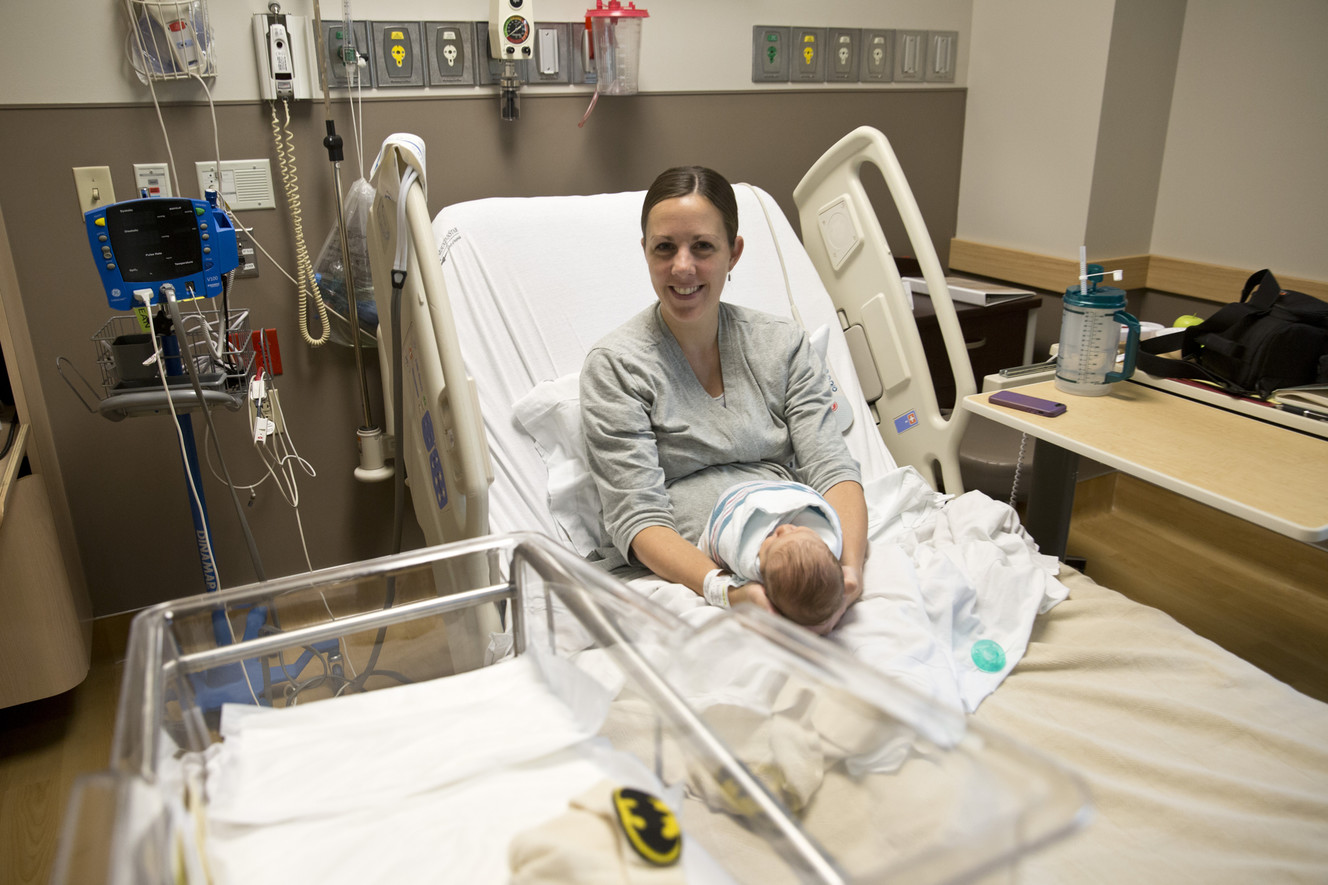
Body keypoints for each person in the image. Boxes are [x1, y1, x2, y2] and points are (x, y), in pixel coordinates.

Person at [579, 165, 868, 632]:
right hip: (686, 574)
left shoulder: (782, 346)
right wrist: (726, 592)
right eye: (665, 248)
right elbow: (637, 516)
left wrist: (847, 570)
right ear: (646, 252)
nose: (683, 267)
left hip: (800, 552)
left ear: (733, 254)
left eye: (703, 247)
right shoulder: (617, 367)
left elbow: (831, 466)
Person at [700, 480, 846, 631]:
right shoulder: (828, 545)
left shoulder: (747, 563)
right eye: (798, 530)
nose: (784, 529)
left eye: (773, 541)